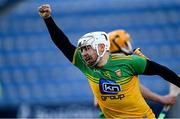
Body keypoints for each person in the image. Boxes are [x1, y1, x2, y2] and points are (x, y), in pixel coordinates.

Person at [38, 4, 180, 118]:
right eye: (82, 50)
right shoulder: (85, 64)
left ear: (101, 47)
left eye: (87, 48)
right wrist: (48, 19)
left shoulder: (130, 62)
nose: (83, 53)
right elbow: (63, 43)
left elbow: (161, 70)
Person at [95, 29, 177, 118]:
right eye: (126, 43)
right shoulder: (124, 63)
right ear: (122, 45)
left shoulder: (103, 65)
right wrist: (161, 99)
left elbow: (135, 87)